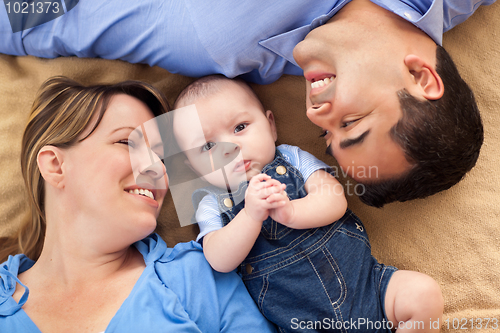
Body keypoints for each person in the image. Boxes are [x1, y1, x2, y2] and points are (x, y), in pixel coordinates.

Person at [0, 1, 492, 206]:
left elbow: (51, 18)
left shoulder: (216, 47)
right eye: (353, 123)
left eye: (328, 136)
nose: (316, 115)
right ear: (422, 77)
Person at [0, 77, 277, 332]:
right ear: (55, 165)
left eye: (161, 156)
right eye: (126, 142)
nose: (157, 168)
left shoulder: (199, 276)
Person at [172, 75, 444, 332]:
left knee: (423, 294)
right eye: (208, 147)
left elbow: (335, 199)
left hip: (367, 289)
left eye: (240, 127)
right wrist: (251, 216)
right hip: (299, 322)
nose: (230, 147)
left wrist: (291, 212)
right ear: (193, 167)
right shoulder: (210, 202)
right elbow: (219, 260)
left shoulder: (292, 158)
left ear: (270, 125)